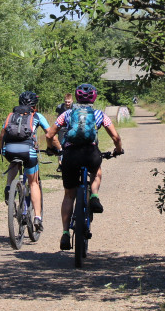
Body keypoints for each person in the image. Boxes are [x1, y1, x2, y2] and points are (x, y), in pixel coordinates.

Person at [45, 83, 124, 251]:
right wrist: (118, 150)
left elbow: (50, 134)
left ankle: (65, 233)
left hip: (70, 155)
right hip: (90, 153)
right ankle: (94, 196)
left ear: (76, 97)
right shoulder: (99, 114)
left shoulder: (67, 114)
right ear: (94, 97)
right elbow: (116, 137)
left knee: (69, 195)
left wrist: (51, 148)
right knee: (96, 171)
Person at [0, 91, 50, 231]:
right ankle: (37, 217)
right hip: (28, 152)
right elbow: (50, 134)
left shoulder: (11, 115)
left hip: (10, 150)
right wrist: (55, 148)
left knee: (13, 162)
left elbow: (1, 136)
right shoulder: (37, 116)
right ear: (34, 105)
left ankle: (9, 187)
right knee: (33, 183)